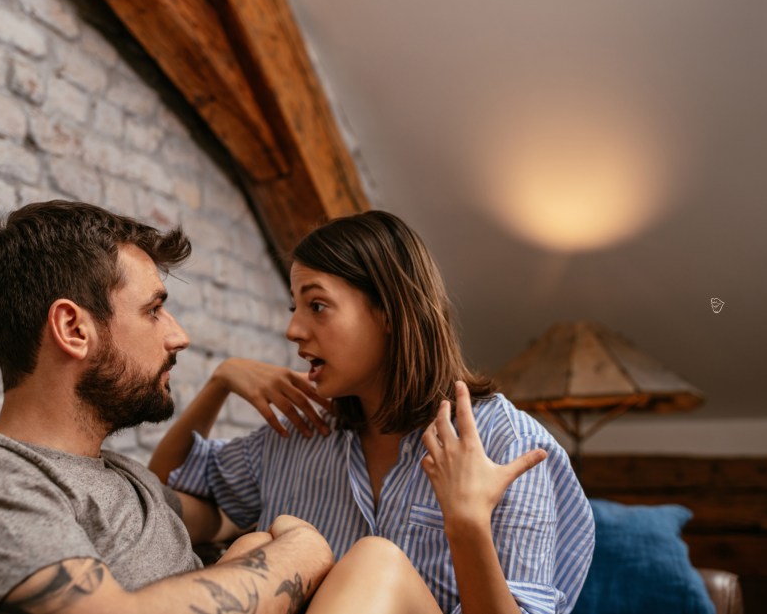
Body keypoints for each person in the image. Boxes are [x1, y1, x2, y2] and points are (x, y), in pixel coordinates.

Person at [0, 200, 334, 614]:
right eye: (154, 310)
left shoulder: (126, 477)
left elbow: (222, 517)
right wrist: (300, 555)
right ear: (74, 329)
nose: (179, 336)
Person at [150, 210, 596, 614]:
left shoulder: (506, 443)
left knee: (374, 559)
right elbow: (160, 496)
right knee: (257, 543)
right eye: (295, 307)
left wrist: (467, 523)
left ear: (388, 310)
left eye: (317, 306)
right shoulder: (302, 432)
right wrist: (221, 382)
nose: (293, 329)